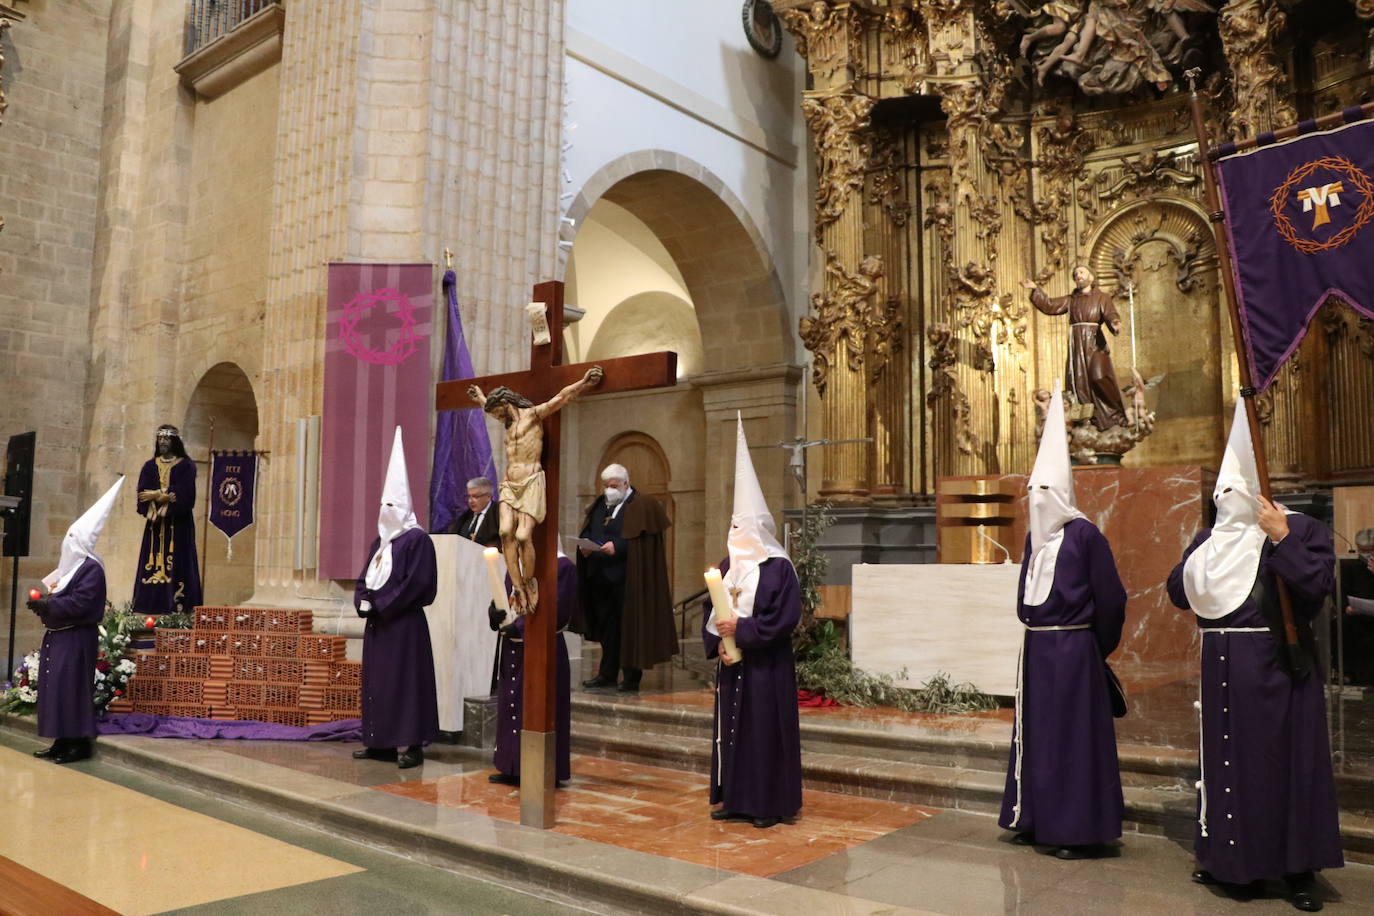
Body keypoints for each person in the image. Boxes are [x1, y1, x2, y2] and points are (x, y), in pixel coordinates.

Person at [1167, 398, 1343, 912]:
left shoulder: (1298, 527)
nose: (1226, 499)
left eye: (1234, 491)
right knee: (1228, 765)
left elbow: (1316, 587)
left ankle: (1297, 871)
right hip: (1221, 670)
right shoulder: (1209, 539)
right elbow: (1179, 592)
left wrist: (1282, 537)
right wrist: (1205, 556)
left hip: (1275, 669)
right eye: (1220, 492)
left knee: (1283, 766)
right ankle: (1232, 862)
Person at [999, 382, 1126, 859]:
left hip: (1073, 652)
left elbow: (1112, 599)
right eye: (1032, 490)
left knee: (1070, 740)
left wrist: (1095, 648)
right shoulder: (1035, 540)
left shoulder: (1086, 536)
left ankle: (1074, 827)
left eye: (1045, 489)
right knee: (1038, 734)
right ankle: (1033, 814)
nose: (1036, 497)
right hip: (1036, 649)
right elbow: (1025, 591)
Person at [703, 415, 802, 829]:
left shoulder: (780, 569)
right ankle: (735, 798)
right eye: (732, 525)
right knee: (733, 732)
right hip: (734, 667)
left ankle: (766, 804)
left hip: (766, 667)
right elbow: (714, 607)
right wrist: (721, 645)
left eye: (743, 527)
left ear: (760, 529)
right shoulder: (727, 566)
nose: (735, 532)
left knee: (763, 734)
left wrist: (740, 633)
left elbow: (783, 619)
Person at [467, 368, 602, 614]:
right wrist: (480, 398)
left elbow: (560, 398)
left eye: (498, 410)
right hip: (509, 484)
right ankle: (517, 586)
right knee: (505, 532)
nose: (497, 416)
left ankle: (529, 582)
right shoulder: (505, 419)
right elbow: (491, 406)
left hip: (530, 482)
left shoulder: (533, 416)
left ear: (507, 404)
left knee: (522, 536)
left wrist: (583, 383)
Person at [353, 427, 440, 769]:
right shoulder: (381, 543)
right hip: (379, 628)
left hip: (403, 627)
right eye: (383, 504)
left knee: (407, 685)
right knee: (380, 685)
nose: (387, 509)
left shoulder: (417, 541)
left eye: (393, 504)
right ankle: (380, 743)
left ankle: (413, 746)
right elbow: (366, 576)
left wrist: (381, 605)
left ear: (404, 508)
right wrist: (362, 600)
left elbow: (416, 583)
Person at [27, 477, 124, 764]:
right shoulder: (70, 569)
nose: (66, 543)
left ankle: (77, 744)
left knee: (71, 689)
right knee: (55, 688)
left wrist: (49, 604)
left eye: (72, 538)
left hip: (77, 637)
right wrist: (44, 605)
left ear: (81, 541)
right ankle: (60, 740)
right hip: (59, 636)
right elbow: (61, 595)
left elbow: (82, 603)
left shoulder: (91, 569)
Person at [572, 463, 675, 692]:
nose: (609, 490)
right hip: (601, 579)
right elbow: (590, 530)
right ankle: (606, 673)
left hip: (629, 581)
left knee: (630, 628)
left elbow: (642, 542)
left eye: (614, 486)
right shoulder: (602, 504)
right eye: (606, 486)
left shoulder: (643, 506)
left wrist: (617, 546)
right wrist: (586, 545)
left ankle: (630, 676)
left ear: (626, 483)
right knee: (608, 630)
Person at [488, 539, 577, 787]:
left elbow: (556, 611)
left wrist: (515, 627)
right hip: (512, 647)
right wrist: (495, 614)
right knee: (511, 704)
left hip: (543, 648)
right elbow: (505, 599)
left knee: (540, 706)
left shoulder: (563, 567)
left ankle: (544, 769)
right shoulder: (516, 565)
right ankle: (511, 765)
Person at [1022, 267, 1128, 431]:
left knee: (1099, 377)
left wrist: (1114, 322)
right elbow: (1050, 305)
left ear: (1091, 277)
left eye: (1081, 272)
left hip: (1094, 342)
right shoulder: (1072, 299)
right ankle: (1087, 418)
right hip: (1077, 344)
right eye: (1075, 274)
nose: (1078, 275)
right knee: (1079, 380)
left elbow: (1110, 313)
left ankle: (1114, 414)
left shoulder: (1102, 297)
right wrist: (1036, 290)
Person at [132, 424, 202, 616]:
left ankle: (179, 608)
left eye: (166, 439)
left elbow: (188, 495)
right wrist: (161, 495)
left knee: (179, 563)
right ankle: (148, 607)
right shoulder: (149, 466)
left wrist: (163, 495)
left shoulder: (186, 466)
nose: (162, 442)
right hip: (155, 526)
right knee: (151, 563)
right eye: (160, 439)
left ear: (174, 441)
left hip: (179, 527)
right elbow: (142, 494)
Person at [442, 476, 500, 547]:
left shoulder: (498, 513)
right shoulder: (466, 516)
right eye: (469, 496)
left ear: (488, 496)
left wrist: (478, 541)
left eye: (475, 497)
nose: (470, 501)